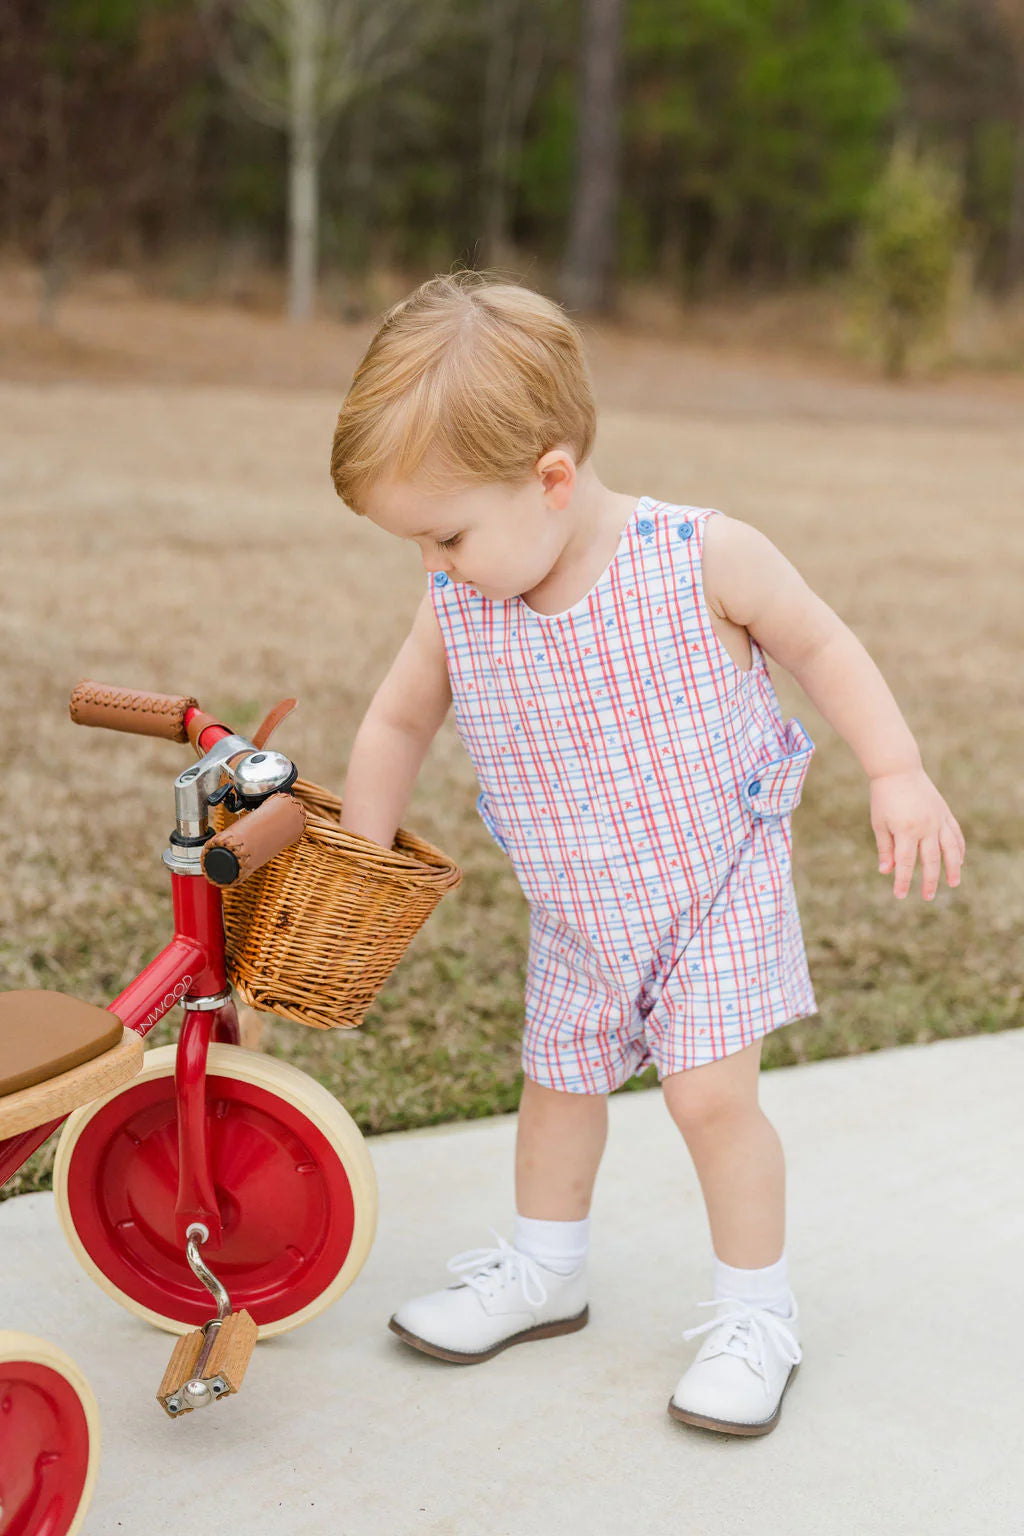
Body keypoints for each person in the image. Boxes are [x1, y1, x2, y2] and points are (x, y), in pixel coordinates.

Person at [330, 269, 965, 1437]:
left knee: (708, 1099)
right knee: (557, 1087)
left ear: (552, 479)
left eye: (447, 535)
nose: (435, 566)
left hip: (714, 887)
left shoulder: (699, 556)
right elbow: (394, 721)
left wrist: (895, 769)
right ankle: (545, 1267)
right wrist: (362, 850)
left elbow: (822, 645)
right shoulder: (461, 604)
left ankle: (755, 1315)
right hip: (577, 902)